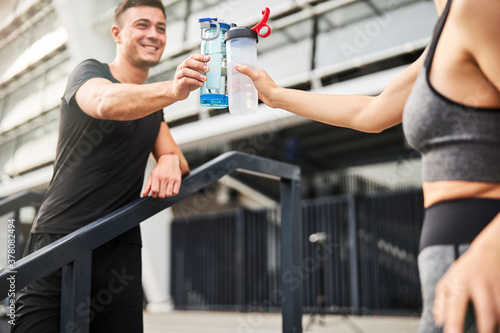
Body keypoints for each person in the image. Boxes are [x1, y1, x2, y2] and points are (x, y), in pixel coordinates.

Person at [236, 0, 500, 332]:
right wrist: (274, 95)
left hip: (479, 251)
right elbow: (371, 114)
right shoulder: (444, 36)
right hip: (454, 251)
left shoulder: (478, 7)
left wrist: (491, 246)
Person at [13, 0, 209, 332]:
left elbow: (177, 157)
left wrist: (169, 160)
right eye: (142, 25)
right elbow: (105, 102)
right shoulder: (90, 73)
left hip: (120, 247)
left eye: (160, 27)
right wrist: (173, 90)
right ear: (116, 33)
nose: (154, 34)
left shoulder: (152, 106)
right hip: (59, 238)